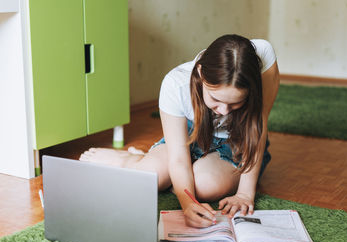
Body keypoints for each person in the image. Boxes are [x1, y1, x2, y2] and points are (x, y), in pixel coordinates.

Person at [79, 34, 279, 228]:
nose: (224, 111)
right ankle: (131, 160)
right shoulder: (176, 84)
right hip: (192, 133)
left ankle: (161, 167)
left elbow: (257, 129)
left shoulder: (262, 57)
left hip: (235, 141)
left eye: (235, 103)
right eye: (216, 100)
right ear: (200, 73)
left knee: (204, 186)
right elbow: (178, 157)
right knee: (151, 175)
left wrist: (244, 193)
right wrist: (188, 203)